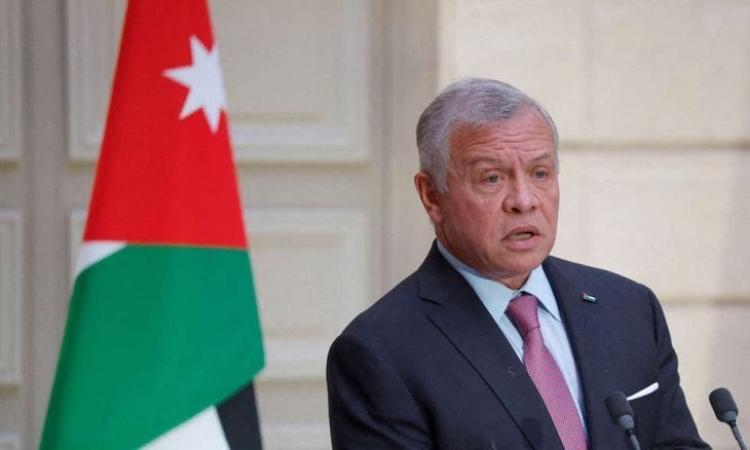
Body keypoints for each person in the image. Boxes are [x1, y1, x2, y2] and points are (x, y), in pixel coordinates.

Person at [326, 78, 709, 449]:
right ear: (431, 196)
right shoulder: (380, 352)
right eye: (492, 178)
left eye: (540, 173)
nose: (524, 200)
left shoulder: (628, 308)